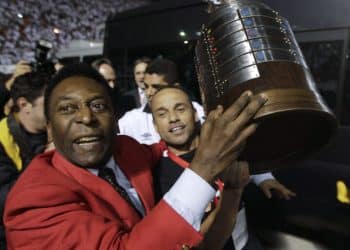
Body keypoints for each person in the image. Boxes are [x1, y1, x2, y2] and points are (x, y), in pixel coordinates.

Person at [4, 63, 267, 249]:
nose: (85, 117)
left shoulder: (127, 149)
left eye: (98, 106)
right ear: (50, 128)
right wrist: (204, 166)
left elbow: (164, 149)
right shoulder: (33, 201)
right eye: (67, 109)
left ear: (116, 121)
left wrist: (211, 134)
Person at [150, 86, 296, 250]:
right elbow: (202, 244)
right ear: (155, 126)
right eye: (162, 114)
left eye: (180, 109)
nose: (173, 118)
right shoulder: (158, 177)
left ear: (195, 114)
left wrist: (264, 178)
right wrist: (231, 192)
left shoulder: (226, 147)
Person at [0, 71, 50, 248]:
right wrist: (47, 164)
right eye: (48, 103)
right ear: (24, 105)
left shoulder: (58, 131)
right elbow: (4, 197)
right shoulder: (2, 138)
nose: (56, 108)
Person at [118, 58, 205, 144]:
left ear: (176, 87)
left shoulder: (200, 113)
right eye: (146, 86)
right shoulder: (129, 121)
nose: (148, 93)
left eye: (156, 87)